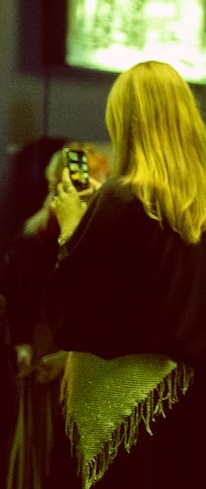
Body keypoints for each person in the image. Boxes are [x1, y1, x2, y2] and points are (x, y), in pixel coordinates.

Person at [43, 61, 206, 489]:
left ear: (126, 122)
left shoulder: (119, 198)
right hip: (192, 408)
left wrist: (72, 229)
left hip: (124, 415)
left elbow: (72, 316)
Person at [1, 144, 108, 489]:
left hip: (78, 355)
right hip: (47, 348)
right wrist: (22, 344)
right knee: (42, 444)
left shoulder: (93, 234)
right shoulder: (37, 236)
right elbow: (18, 294)